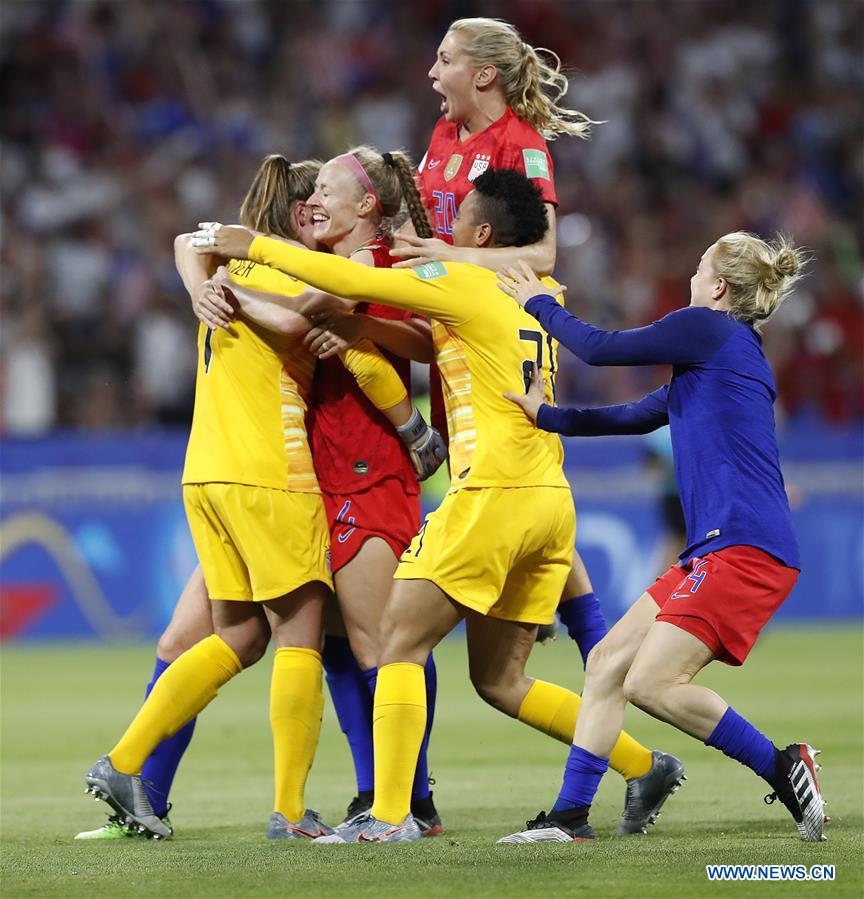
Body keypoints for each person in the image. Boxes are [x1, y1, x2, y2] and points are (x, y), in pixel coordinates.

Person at [194, 167, 679, 844]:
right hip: (550, 501)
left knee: (397, 639)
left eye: (459, 224)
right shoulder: (540, 289)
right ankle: (642, 763)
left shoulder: (458, 279)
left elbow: (356, 285)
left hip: (491, 496)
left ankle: (393, 814)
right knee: (501, 678)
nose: (444, 233)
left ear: (480, 234)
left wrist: (250, 243)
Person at [81, 155, 440, 841]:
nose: (324, 210)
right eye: (320, 198)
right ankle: (298, 809)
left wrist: (206, 285)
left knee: (237, 637)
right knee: (312, 640)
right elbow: (317, 330)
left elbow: (193, 243)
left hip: (203, 473)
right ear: (303, 212)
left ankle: (128, 767)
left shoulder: (230, 266)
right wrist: (413, 428)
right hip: (271, 474)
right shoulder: (290, 274)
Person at [389, 14, 681, 820]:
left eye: (444, 60)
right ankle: (631, 737)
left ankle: (402, 803)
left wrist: (436, 260)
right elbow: (420, 236)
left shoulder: (521, 146)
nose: (431, 73)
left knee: (448, 604)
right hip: (452, 352)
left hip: (495, 352)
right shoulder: (442, 139)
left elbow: (543, 258)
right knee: (550, 553)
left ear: (483, 74)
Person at [497, 233, 826, 843]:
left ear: (719, 287)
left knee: (651, 683)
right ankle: (570, 819)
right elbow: (633, 415)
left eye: (700, 267)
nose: (693, 276)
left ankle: (785, 768)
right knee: (605, 663)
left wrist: (536, 301)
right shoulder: (721, 355)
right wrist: (546, 415)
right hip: (715, 546)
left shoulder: (707, 329)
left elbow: (600, 349)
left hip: (745, 547)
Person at [231, 146, 447, 834]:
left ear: (367, 208)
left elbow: (424, 338)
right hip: (328, 473)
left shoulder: (381, 268)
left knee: (380, 641)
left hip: (369, 471)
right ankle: (393, 796)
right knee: (343, 643)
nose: (313, 201)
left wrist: (350, 318)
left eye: (327, 189)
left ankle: (402, 804)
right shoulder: (331, 268)